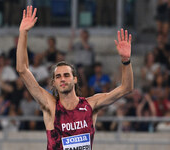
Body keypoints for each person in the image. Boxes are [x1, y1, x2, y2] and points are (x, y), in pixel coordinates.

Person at [16, 6, 133, 150]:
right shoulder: (50, 106)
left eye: (66, 75)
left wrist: (126, 61)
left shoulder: (90, 105)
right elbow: (22, 70)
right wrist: (23, 33)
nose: (62, 79)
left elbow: (126, 88)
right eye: (58, 76)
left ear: (75, 79)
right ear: (53, 83)